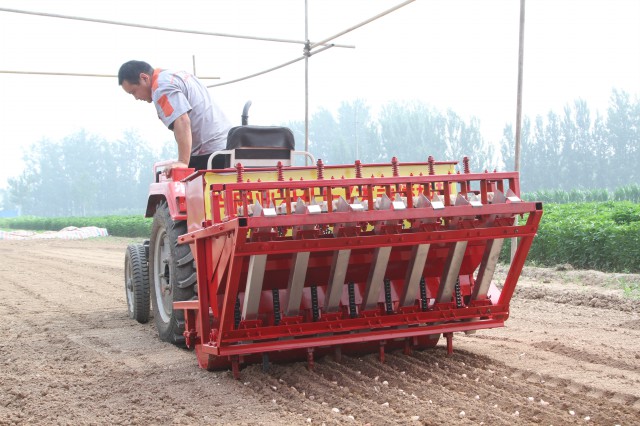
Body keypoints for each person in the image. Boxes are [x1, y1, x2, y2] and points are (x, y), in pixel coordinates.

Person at [118, 60, 232, 175]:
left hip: (210, 154)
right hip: (227, 145)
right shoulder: (175, 75)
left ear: (144, 78)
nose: (136, 98)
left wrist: (183, 162)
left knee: (175, 178)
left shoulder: (160, 88)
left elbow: (182, 120)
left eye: (133, 92)